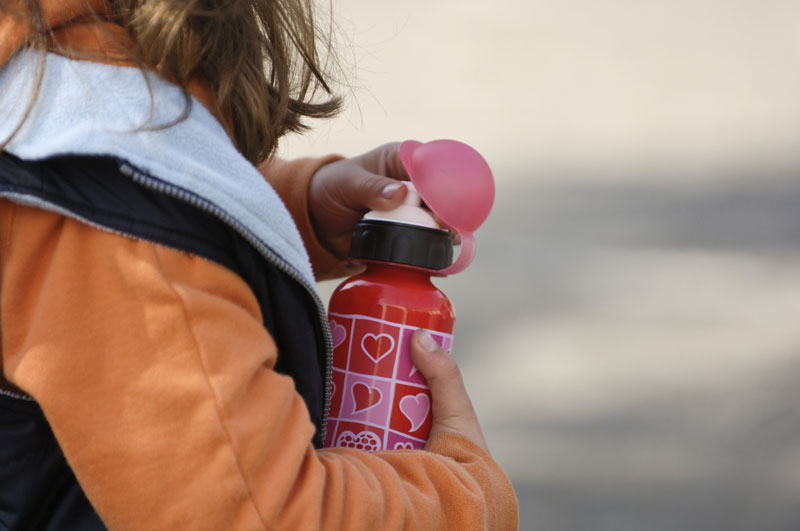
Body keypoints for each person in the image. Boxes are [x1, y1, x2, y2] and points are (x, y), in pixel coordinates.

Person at [0, 0, 518, 529]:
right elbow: (263, 515)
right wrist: (465, 498)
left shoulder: (44, 85)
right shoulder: (129, 223)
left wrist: (295, 210)